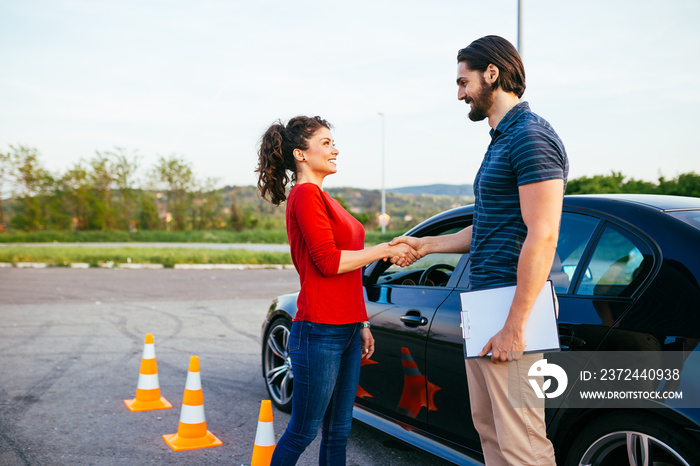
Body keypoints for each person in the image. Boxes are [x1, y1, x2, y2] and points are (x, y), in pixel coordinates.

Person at [392, 36, 568, 465]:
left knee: (523, 440)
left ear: (492, 73)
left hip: (511, 303)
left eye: (462, 81)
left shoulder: (530, 135)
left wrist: (514, 325)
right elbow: (490, 225)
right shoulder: (500, 139)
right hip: (485, 300)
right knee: (490, 429)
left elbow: (543, 235)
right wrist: (427, 244)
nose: (458, 94)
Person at [255, 115, 418, 465]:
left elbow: (350, 270)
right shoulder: (305, 195)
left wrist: (362, 322)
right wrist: (387, 249)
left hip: (344, 329)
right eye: (326, 143)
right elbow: (329, 262)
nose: (335, 150)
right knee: (303, 431)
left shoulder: (324, 198)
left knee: (339, 431)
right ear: (301, 153)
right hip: (319, 330)